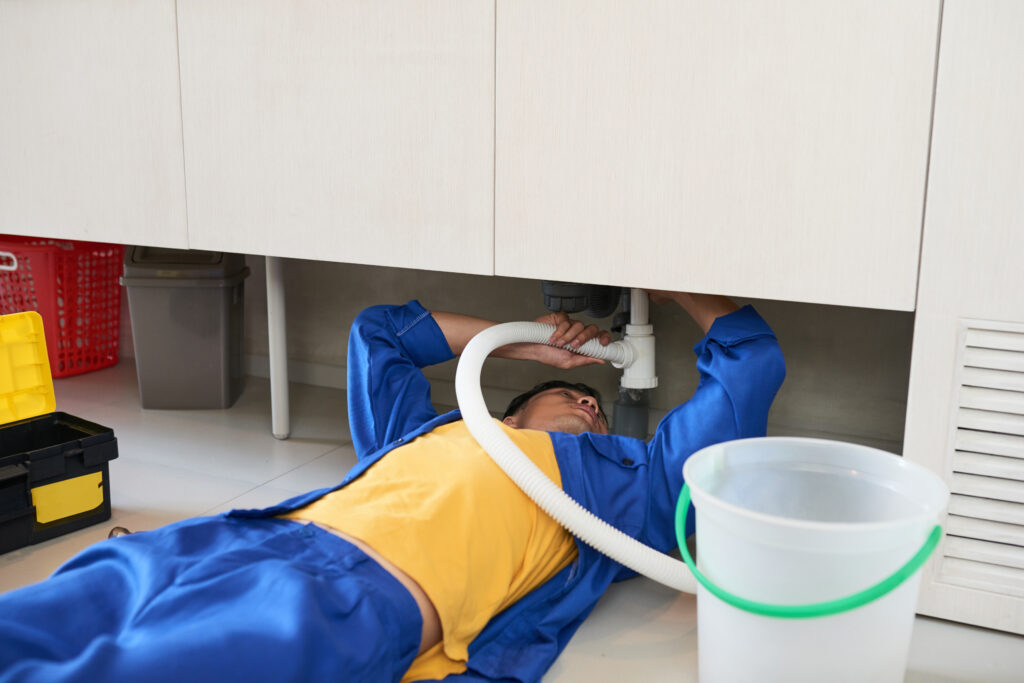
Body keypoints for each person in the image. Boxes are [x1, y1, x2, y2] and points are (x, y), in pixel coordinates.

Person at [0, 291, 784, 683]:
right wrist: (529, 345)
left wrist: (676, 277)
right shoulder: (435, 428)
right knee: (41, 616)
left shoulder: (625, 488)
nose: (590, 402)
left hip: (356, 597)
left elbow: (750, 363)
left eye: (599, 410)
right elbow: (379, 333)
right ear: (509, 401)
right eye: (576, 395)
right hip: (236, 538)